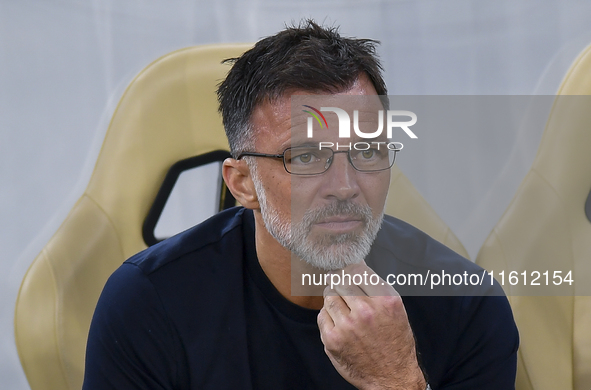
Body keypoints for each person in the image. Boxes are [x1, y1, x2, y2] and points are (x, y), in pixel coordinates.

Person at [83, 20, 518, 390]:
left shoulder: (468, 307)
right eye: (306, 157)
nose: (345, 187)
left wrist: (394, 377)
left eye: (368, 152)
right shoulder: (148, 304)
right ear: (242, 183)